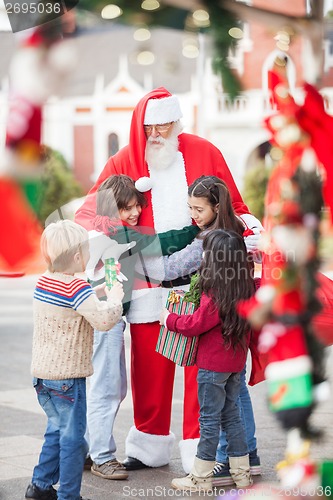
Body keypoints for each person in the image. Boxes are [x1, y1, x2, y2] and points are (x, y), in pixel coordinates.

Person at [75, 87, 263, 471]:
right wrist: (128, 239)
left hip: (204, 282)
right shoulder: (122, 161)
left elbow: (235, 206)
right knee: (149, 369)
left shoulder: (204, 151)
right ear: (141, 126)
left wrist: (248, 233)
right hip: (146, 286)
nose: (158, 133)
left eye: (165, 124)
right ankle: (149, 445)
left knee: (204, 371)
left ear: (176, 121)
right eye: (151, 126)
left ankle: (201, 449)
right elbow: (88, 215)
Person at [143, 175, 261, 482]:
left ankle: (205, 472)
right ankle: (246, 463)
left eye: (198, 208)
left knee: (212, 415)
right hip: (237, 343)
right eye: (189, 208)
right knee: (235, 404)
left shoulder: (212, 244)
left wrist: (135, 255)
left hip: (214, 349)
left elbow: (172, 271)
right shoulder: (238, 237)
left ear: (216, 206)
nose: (193, 215)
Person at [85, 174, 199, 480]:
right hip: (104, 319)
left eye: (137, 206)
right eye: (127, 208)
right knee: (108, 389)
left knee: (109, 386)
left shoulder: (105, 230)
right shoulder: (117, 234)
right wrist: (196, 229)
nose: (135, 213)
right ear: (112, 210)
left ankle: (85, 449)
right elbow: (162, 243)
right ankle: (101, 456)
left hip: (106, 317)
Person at [25, 220, 124, 500]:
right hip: (68, 380)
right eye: (86, 251)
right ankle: (69, 495)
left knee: (55, 431)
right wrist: (114, 297)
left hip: (43, 377)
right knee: (72, 440)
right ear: (79, 257)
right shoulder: (77, 288)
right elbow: (104, 320)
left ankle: (40, 486)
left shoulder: (43, 281)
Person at [160, 229, 255, 491]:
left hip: (213, 366)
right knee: (233, 417)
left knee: (209, 420)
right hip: (236, 364)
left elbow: (196, 324)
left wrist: (169, 320)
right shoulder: (245, 286)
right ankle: (242, 473)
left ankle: (200, 477)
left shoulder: (215, 291)